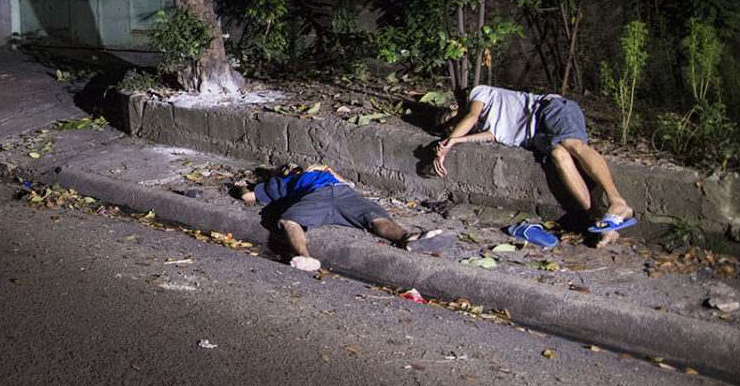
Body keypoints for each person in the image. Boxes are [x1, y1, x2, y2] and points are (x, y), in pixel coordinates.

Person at [434, 84, 635, 243]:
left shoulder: (479, 94)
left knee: (572, 144)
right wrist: (457, 140)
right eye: (447, 128)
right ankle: (602, 222)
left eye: (448, 119)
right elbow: (488, 136)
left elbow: (471, 116)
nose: (451, 126)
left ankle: (617, 201)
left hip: (548, 110)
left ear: (454, 108)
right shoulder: (488, 128)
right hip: (536, 137)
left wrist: (450, 142)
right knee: (559, 155)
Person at [236, 163, 441, 272]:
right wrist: (243, 185)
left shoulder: (324, 172)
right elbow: (248, 196)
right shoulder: (287, 181)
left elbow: (351, 185)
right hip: (326, 195)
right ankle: (304, 257)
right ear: (285, 173)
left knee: (374, 217)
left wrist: (325, 167)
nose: (294, 165)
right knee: (290, 221)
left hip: (341, 194)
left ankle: (408, 238)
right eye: (288, 167)